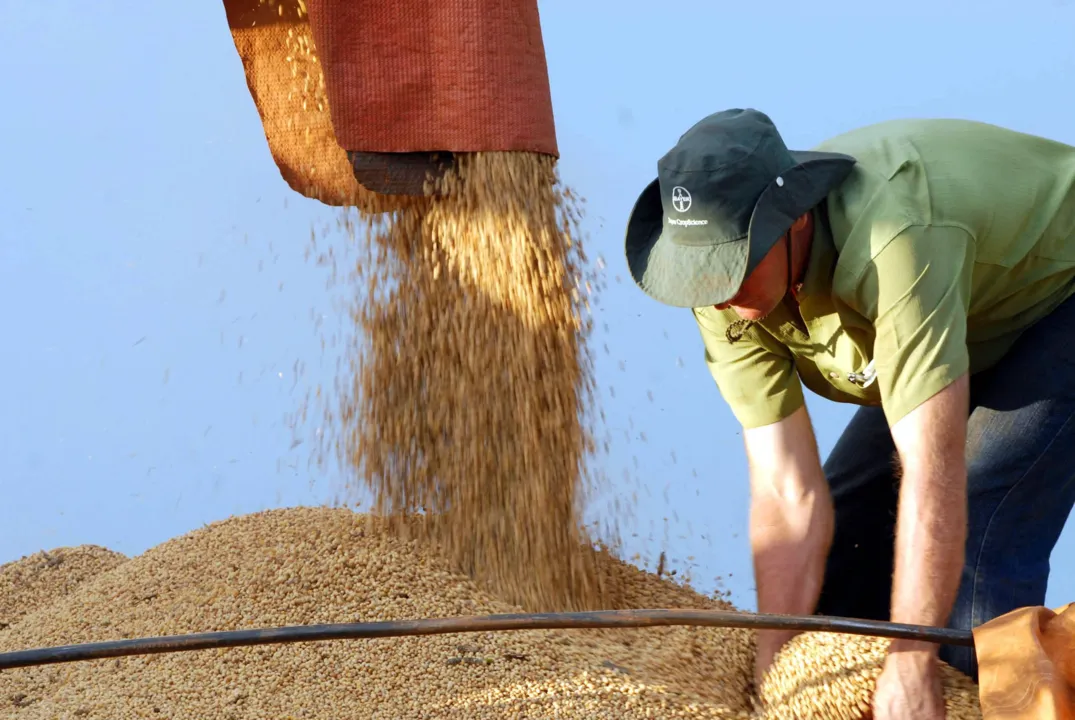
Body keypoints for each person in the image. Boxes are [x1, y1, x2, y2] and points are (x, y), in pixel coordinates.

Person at [623, 108, 1075, 719]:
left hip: (1057, 296)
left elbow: (931, 470)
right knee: (845, 554)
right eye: (702, 269)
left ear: (795, 219)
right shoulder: (719, 296)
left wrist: (912, 665)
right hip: (970, 319)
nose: (719, 290)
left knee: (981, 518)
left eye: (734, 261)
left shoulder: (894, 237)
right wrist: (772, 678)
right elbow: (789, 495)